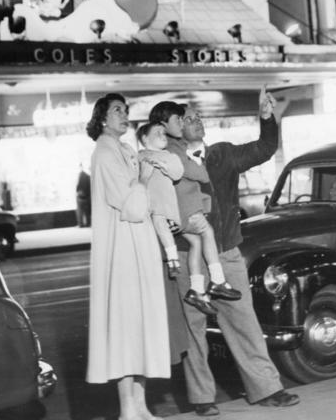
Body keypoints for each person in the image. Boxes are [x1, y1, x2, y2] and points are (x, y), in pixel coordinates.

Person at [150, 92, 300, 415]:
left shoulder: (223, 155)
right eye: (187, 119)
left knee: (244, 321)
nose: (196, 121)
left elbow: (264, 148)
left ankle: (266, 388)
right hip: (189, 255)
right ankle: (202, 398)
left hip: (226, 251)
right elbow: (150, 195)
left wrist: (265, 117)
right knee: (194, 329)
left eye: (197, 117)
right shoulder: (165, 158)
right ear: (174, 128)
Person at [86, 93, 171, 420]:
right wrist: (145, 179)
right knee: (125, 326)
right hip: (122, 251)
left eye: (126, 110)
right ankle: (127, 410)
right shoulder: (105, 153)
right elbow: (133, 205)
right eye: (117, 110)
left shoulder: (124, 150)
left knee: (140, 324)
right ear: (103, 118)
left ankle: (140, 405)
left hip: (137, 246)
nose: (124, 115)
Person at [146, 108, 242, 315]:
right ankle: (217, 280)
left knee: (196, 243)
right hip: (187, 209)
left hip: (177, 213)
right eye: (178, 119)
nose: (182, 124)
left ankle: (197, 289)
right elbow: (193, 173)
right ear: (163, 126)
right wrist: (202, 170)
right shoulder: (173, 149)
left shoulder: (164, 150)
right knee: (207, 233)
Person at [136, 121, 183, 279]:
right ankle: (171, 259)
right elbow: (135, 181)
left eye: (164, 133)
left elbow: (177, 174)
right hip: (146, 204)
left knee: (160, 222)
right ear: (145, 138)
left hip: (164, 203)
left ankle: (173, 259)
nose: (163, 136)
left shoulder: (170, 156)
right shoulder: (140, 156)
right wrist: (145, 175)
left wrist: (164, 167)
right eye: (157, 133)